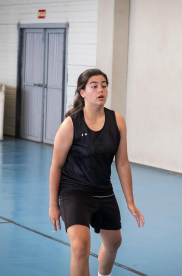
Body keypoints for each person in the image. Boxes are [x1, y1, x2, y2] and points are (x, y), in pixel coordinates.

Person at [49, 68, 145, 276]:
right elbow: (56, 166)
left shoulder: (117, 121)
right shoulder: (70, 125)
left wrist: (130, 201)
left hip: (103, 191)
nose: (100, 90)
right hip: (74, 192)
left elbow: (122, 163)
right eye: (94, 86)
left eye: (104, 85)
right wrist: (53, 204)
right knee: (80, 247)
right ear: (82, 92)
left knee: (114, 243)